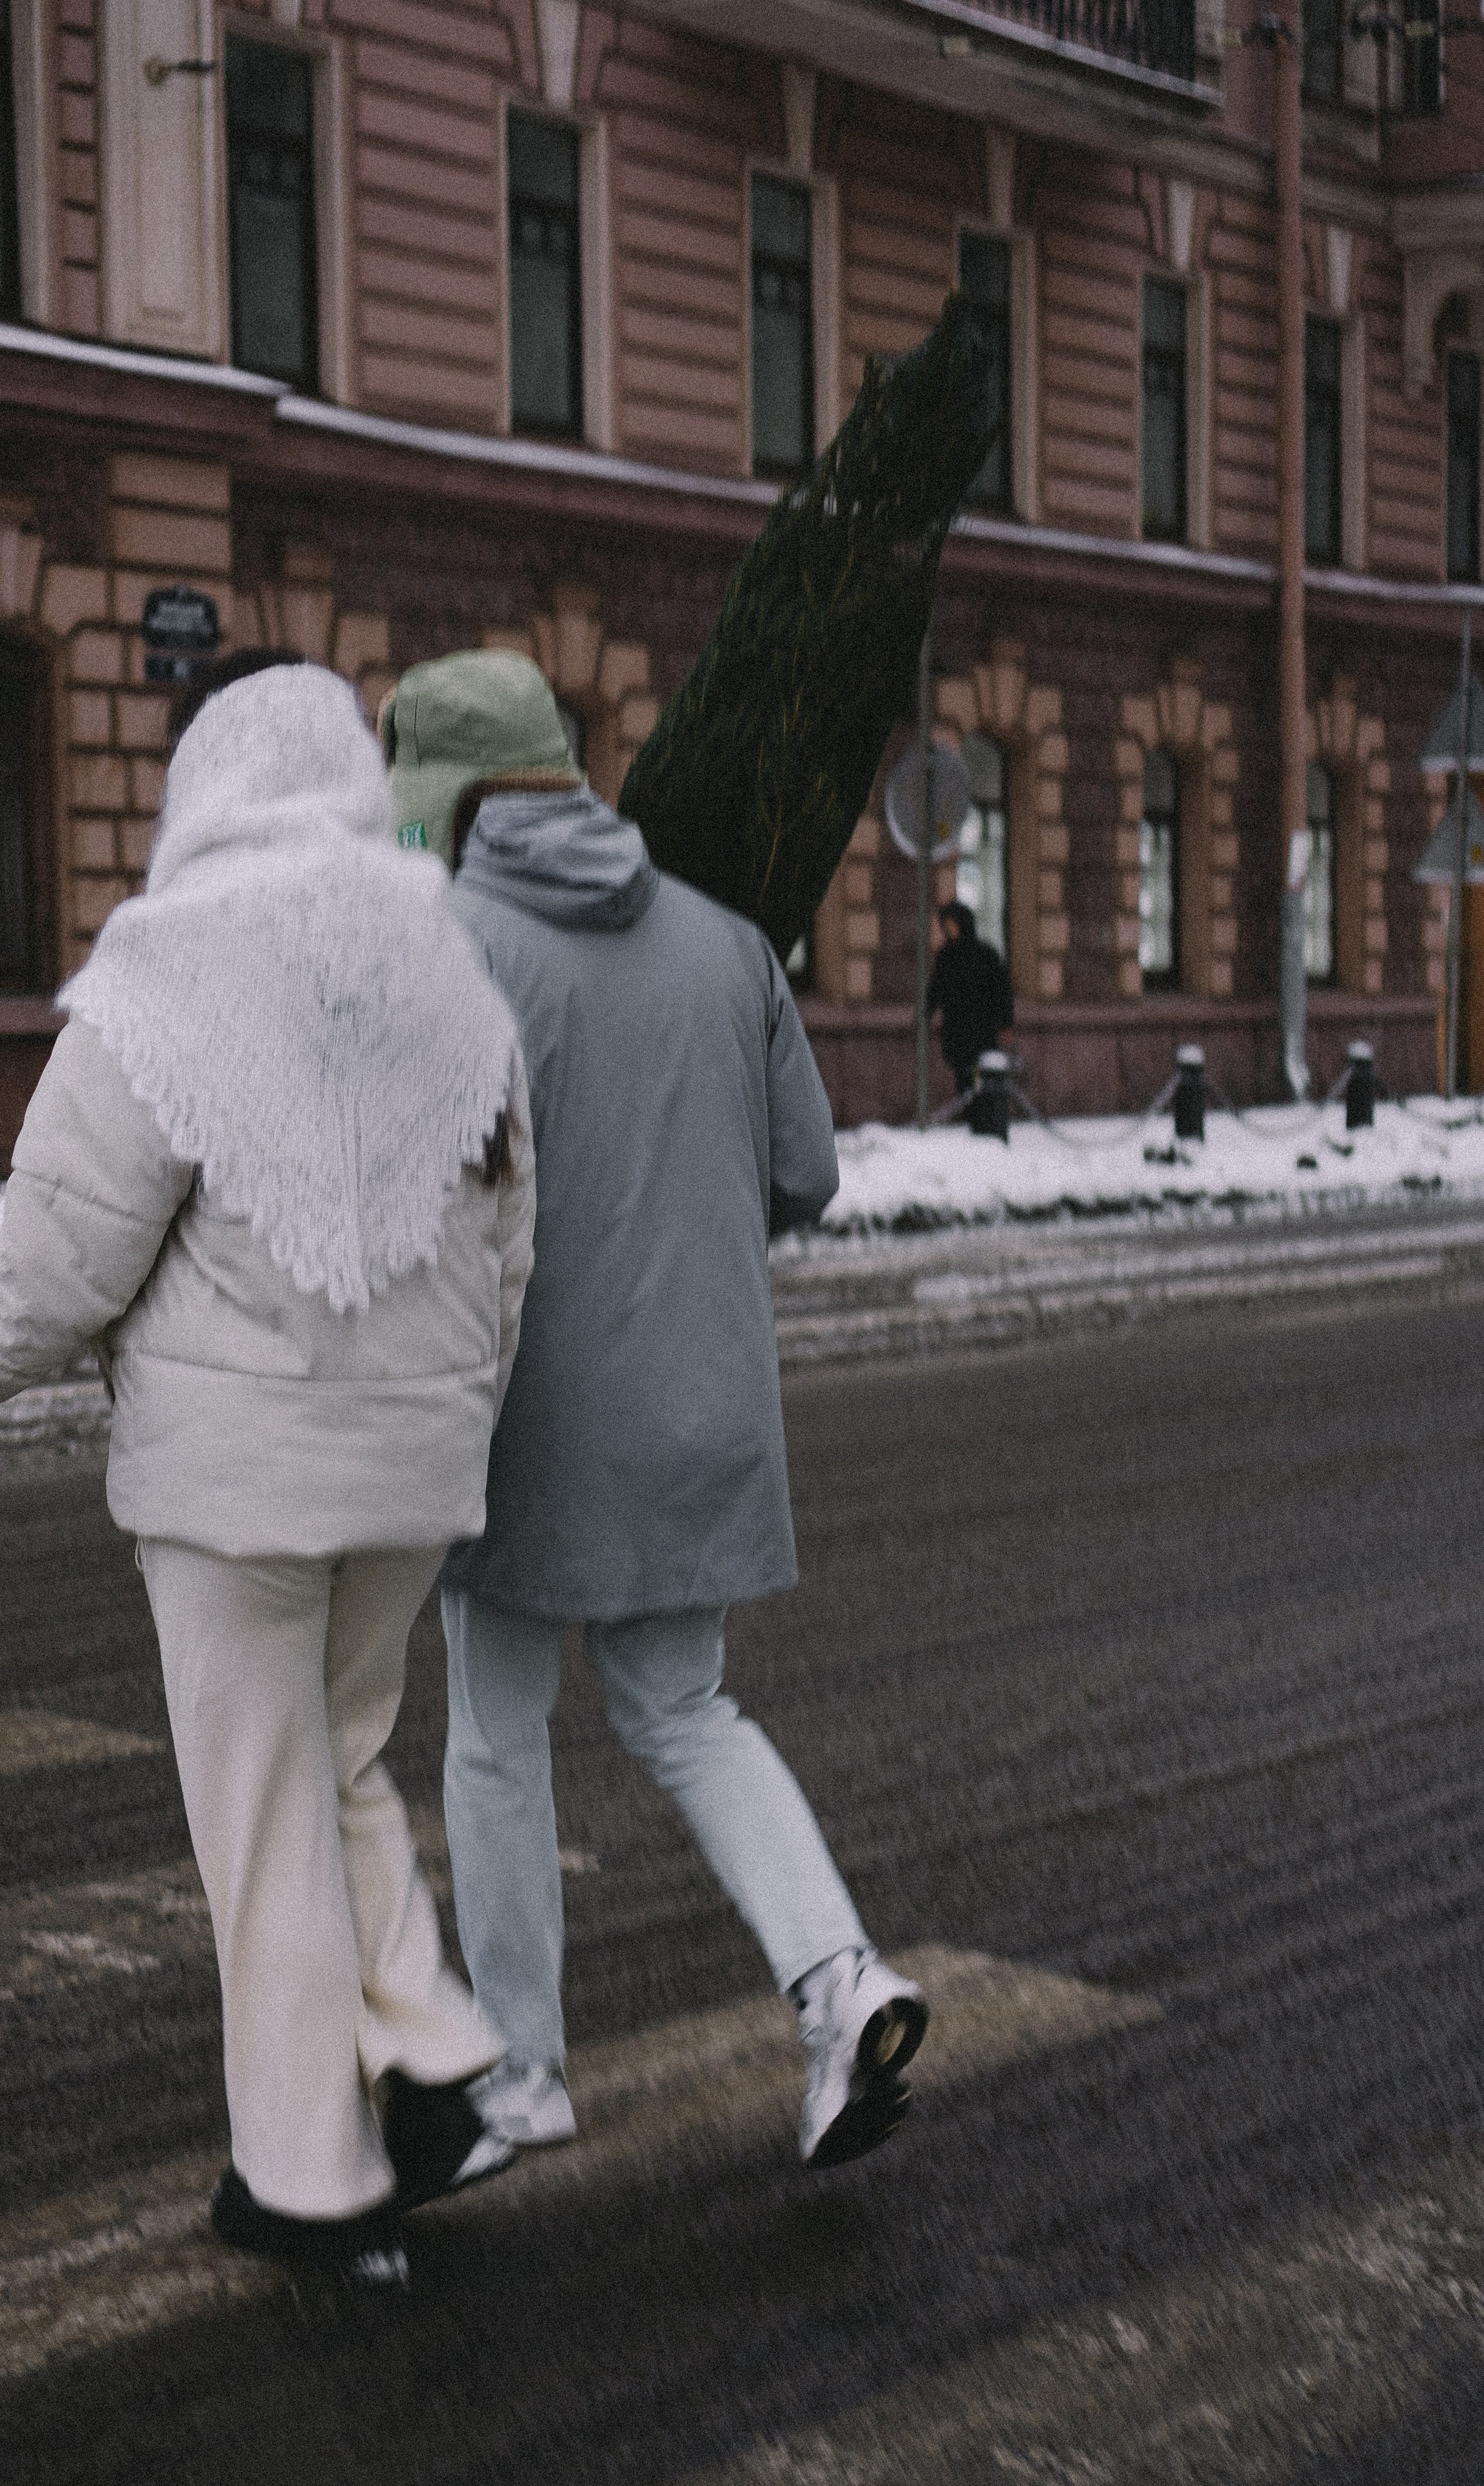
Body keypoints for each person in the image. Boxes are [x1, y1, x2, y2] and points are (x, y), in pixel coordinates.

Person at [0, 660, 537, 2292]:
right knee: (338, 1759)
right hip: (417, 1465)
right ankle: (428, 2051)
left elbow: (47, 1279)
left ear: (203, 783)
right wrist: (454, 1418)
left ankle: (313, 2182)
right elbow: (510, 1248)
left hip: (235, 1489)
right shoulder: (449, 962)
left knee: (263, 1814)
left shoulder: (164, 978)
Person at [377, 648, 929, 2171]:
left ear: (453, 797)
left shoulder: (451, 946)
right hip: (703, 1403)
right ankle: (837, 1979)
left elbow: (417, 1196)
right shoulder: (725, 939)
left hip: (526, 1420)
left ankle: (522, 2072)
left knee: (497, 1736)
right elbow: (804, 1171)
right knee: (686, 1714)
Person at [925, 900, 1014, 1101]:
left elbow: (1002, 992)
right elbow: (936, 989)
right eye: (947, 925)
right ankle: (970, 1108)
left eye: (953, 924)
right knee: (964, 1075)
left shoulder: (986, 954)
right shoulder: (946, 956)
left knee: (982, 1075)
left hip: (983, 1028)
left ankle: (980, 1110)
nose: (950, 930)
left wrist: (1007, 1023)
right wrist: (926, 1014)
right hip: (957, 1029)